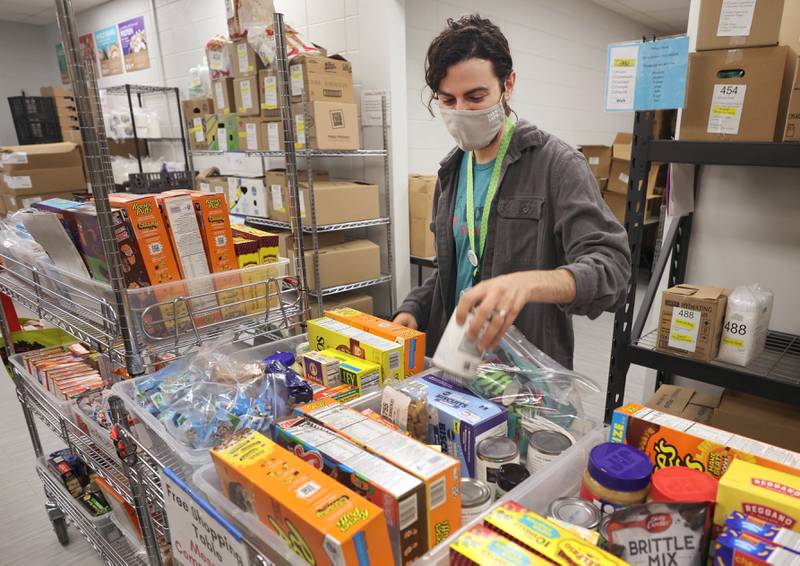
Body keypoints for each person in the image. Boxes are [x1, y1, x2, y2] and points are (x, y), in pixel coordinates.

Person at [393, 15, 631, 370]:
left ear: (508, 84)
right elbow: (450, 271)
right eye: (448, 100)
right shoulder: (451, 173)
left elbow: (613, 269)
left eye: (475, 97)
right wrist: (413, 309)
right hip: (458, 363)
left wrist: (532, 283)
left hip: (526, 378)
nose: (461, 112)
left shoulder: (557, 165)